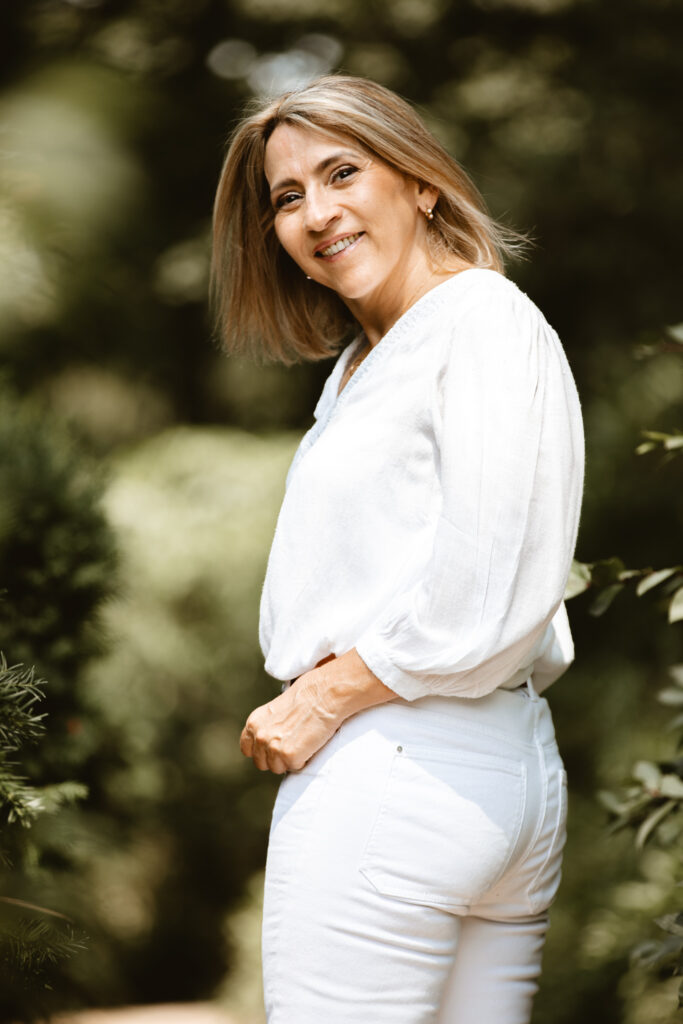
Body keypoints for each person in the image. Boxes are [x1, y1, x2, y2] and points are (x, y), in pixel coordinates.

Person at [210, 74, 584, 1024]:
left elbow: (488, 580)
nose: (316, 212)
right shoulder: (366, 362)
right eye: (288, 197)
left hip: (397, 772)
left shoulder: (480, 321)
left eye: (341, 173)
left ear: (419, 182)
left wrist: (323, 693)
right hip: (484, 775)